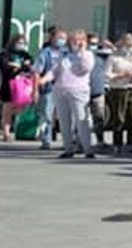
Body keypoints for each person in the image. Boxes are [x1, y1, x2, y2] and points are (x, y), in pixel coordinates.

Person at [41, 30, 95, 159]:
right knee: (64, 121)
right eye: (73, 40)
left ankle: (87, 149)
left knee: (82, 120)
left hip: (78, 90)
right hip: (61, 90)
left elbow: (86, 68)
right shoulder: (64, 55)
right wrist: (44, 79)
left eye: (79, 40)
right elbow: (55, 70)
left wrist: (81, 51)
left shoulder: (87, 55)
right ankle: (68, 148)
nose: (76, 42)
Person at [105, 33, 132, 155]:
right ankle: (117, 143)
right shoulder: (114, 57)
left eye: (130, 45)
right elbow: (107, 74)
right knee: (119, 117)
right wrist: (119, 76)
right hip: (119, 88)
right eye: (126, 45)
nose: (128, 47)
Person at [0, 34, 35, 142]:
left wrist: (20, 66)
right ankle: (6, 133)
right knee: (7, 109)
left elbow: (31, 66)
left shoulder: (26, 55)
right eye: (19, 43)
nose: (21, 45)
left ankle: (12, 125)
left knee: (23, 107)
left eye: (23, 43)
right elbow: (5, 68)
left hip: (23, 85)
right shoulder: (6, 54)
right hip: (9, 84)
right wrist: (18, 66)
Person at [33, 27, 65, 149]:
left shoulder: (66, 53)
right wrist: (35, 89)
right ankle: (46, 140)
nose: (61, 41)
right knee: (47, 115)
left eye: (63, 38)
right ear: (52, 38)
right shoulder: (45, 53)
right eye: (59, 38)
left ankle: (67, 141)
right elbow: (36, 72)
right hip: (49, 89)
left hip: (64, 88)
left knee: (65, 116)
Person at [88, 36, 113, 150]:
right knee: (81, 118)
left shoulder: (102, 55)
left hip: (98, 90)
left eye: (96, 43)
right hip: (83, 90)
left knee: (99, 117)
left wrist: (110, 45)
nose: (94, 45)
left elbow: (117, 54)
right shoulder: (82, 55)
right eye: (91, 43)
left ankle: (100, 140)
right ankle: (78, 140)